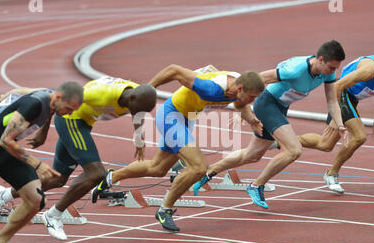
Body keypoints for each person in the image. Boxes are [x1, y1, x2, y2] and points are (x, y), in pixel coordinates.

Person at [92, 64, 265, 232]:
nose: (253, 101)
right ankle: (164, 209)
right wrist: (146, 91)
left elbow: (240, 104)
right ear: (240, 88)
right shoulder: (210, 89)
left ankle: (109, 178)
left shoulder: (237, 90)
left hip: (185, 120)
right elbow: (173, 70)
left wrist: (252, 121)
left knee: (157, 168)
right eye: (252, 97)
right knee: (199, 167)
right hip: (171, 116)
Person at [0, 76, 157, 241]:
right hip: (71, 121)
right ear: (132, 97)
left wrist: (139, 139)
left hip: (84, 124)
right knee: (97, 173)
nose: (138, 113)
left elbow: (137, 113)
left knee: (58, 179)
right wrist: (43, 131)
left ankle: (4, 195)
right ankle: (54, 215)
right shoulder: (99, 93)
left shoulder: (135, 96)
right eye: (137, 109)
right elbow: (53, 99)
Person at [193, 40, 347, 208]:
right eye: (331, 67)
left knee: (252, 155)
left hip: (280, 108)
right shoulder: (295, 70)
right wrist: (243, 107)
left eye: (336, 69)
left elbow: (332, 101)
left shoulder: (328, 73)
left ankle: (207, 172)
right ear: (321, 60)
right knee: (294, 150)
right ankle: (257, 185)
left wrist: (339, 125)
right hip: (267, 104)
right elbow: (254, 79)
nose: (333, 72)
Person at [0, 82, 84, 243]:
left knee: (36, 199)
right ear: (58, 97)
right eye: (69, 108)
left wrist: (3, 98)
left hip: (5, 155)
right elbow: (5, 140)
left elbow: (21, 91)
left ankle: (0, 242)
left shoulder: (48, 96)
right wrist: (37, 164)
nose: (70, 113)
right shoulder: (34, 104)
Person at [298, 50, 374, 193]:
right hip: (342, 93)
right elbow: (337, 86)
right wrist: (336, 117)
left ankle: (283, 141)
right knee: (359, 136)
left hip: (351, 98)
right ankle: (332, 174)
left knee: (325, 144)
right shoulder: (370, 69)